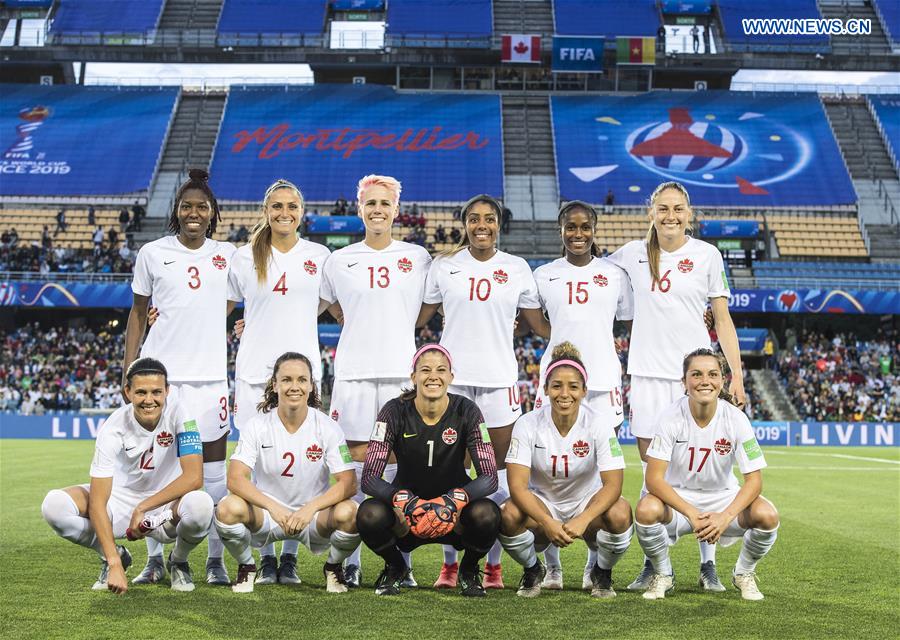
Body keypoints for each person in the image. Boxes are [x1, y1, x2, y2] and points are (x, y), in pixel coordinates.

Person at [607, 181, 745, 591]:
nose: (670, 216)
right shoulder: (630, 254)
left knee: (707, 471)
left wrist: (734, 375)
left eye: (678, 209)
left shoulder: (707, 255)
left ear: (689, 213)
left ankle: (708, 563)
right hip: (647, 376)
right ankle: (656, 564)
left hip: (696, 381)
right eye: (663, 208)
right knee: (657, 478)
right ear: (650, 212)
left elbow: (722, 320)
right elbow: (589, 271)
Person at [418, 194, 544, 589]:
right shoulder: (445, 266)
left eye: (489, 218)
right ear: (465, 223)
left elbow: (535, 323)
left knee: (498, 475)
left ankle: (491, 565)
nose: (482, 225)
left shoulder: (517, 268)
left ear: (499, 223)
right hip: (453, 382)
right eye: (474, 219)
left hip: (500, 381)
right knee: (450, 473)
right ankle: (450, 563)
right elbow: (417, 316)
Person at [123, 169, 235, 586]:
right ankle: (155, 558)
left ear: (212, 213)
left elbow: (240, 302)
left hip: (209, 381)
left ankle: (213, 558)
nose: (193, 212)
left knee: (213, 474)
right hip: (160, 379)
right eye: (186, 205)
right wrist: (128, 369)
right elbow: (137, 314)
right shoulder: (152, 252)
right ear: (176, 210)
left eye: (201, 206)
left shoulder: (229, 255)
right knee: (157, 471)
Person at [320, 174, 432, 588]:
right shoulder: (339, 259)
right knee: (354, 465)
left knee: (402, 468)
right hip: (352, 374)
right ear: (360, 208)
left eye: (385, 203)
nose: (378, 210)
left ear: (396, 210)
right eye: (371, 203)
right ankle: (350, 555)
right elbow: (327, 304)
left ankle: (401, 561)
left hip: (401, 375)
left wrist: (401, 328)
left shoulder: (418, 257)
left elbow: (427, 309)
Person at [227, 178, 332, 584]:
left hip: (304, 375)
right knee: (257, 465)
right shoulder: (243, 258)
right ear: (265, 211)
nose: (284, 212)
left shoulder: (319, 256)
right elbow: (230, 303)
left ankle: (289, 554)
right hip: (254, 372)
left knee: (305, 464)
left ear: (301, 212)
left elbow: (322, 302)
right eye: (276, 206)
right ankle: (265, 554)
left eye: (291, 206)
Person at [528, 201, 633, 590]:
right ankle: (552, 564)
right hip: (555, 383)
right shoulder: (543, 275)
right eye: (570, 227)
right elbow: (539, 324)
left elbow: (629, 318)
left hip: (603, 384)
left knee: (597, 475)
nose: (577, 233)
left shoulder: (614, 274)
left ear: (594, 229)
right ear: (560, 230)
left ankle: (593, 563)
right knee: (545, 473)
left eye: (584, 227)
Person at [41, 358, 214, 593]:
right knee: (54, 505)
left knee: (202, 504)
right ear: (128, 391)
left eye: (156, 392)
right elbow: (99, 502)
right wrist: (113, 561)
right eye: (141, 392)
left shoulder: (182, 414)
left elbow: (194, 478)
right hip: (121, 503)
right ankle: (116, 556)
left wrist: (143, 508)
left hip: (167, 506)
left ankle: (178, 561)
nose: (149, 400)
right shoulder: (113, 428)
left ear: (167, 392)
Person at [635, 348, 779, 600]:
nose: (705, 381)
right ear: (684, 382)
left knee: (767, 515)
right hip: (678, 500)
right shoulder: (670, 417)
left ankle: (743, 573)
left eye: (713, 374)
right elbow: (654, 479)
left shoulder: (736, 419)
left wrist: (725, 517)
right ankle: (663, 573)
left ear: (722, 380)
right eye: (696, 374)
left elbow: (754, 481)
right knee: (646, 510)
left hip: (722, 497)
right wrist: (691, 512)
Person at [356, 344, 500, 597]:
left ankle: (468, 571)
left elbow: (490, 476)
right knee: (368, 514)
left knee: (488, 514)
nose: (433, 375)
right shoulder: (393, 411)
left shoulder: (467, 411)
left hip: (455, 519)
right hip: (406, 518)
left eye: (441, 370)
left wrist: (454, 501)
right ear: (413, 377)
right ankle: (396, 567)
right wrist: (404, 502)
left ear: (450, 377)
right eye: (425, 369)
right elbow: (369, 477)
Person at [215, 352, 360, 593]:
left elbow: (349, 483)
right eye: (287, 380)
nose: (295, 387)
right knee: (227, 508)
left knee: (352, 513)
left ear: (312, 386)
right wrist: (274, 507)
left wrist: (310, 508)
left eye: (302, 380)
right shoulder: (257, 425)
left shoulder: (328, 427)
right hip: (268, 516)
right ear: (275, 384)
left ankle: (333, 568)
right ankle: (247, 567)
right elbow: (235, 478)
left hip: (312, 518)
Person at [500, 343, 632, 598]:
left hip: (586, 504)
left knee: (620, 513)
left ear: (584, 390)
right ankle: (533, 569)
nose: (564, 393)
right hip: (544, 503)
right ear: (546, 389)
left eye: (573, 386)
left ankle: (601, 572)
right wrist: (547, 521)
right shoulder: (527, 424)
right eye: (557, 385)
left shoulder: (599, 424)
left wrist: (583, 519)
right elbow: (516, 485)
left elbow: (613, 485)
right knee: (506, 514)